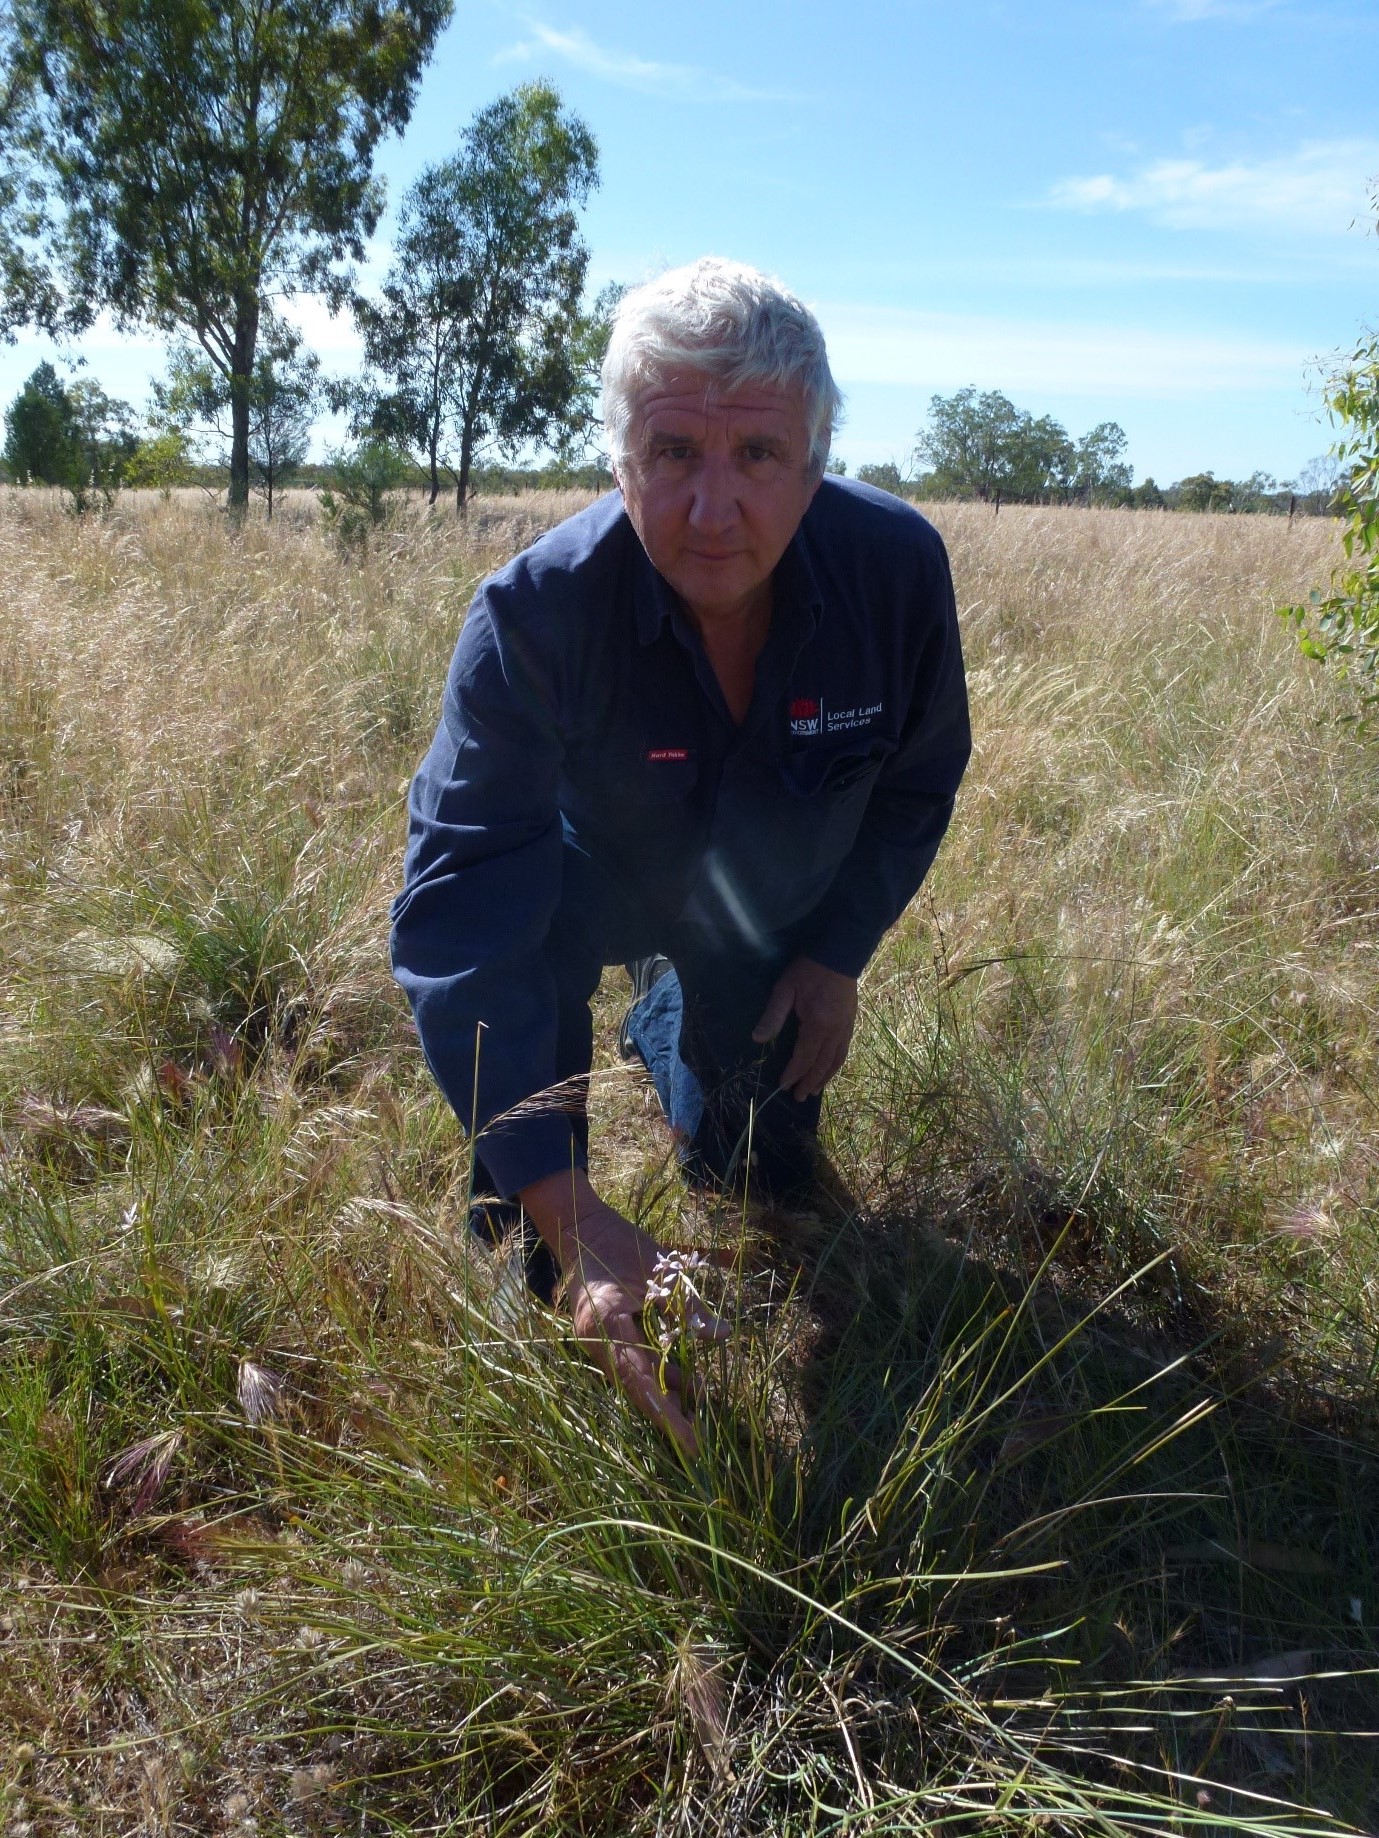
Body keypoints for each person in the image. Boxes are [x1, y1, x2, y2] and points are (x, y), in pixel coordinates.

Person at [391, 258, 970, 1453]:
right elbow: (460, 918)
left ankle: (672, 1027)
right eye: (672, 454)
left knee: (760, 1174)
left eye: (757, 456)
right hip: (587, 881)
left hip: (769, 894)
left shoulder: (895, 574)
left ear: (814, 463)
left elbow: (915, 780)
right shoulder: (530, 618)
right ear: (618, 459)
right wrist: (573, 1219)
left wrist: (831, 952)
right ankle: (537, 1262)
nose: (715, 510)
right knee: (530, 988)